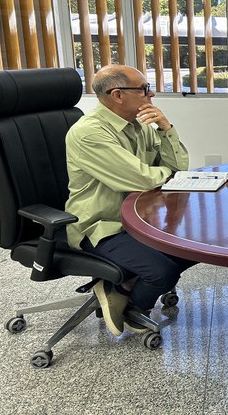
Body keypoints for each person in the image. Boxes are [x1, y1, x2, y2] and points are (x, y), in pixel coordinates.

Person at [65, 65, 196, 336]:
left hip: (140, 220)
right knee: (163, 273)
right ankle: (135, 309)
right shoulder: (90, 133)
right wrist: (166, 174)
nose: (152, 94)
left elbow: (179, 167)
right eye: (145, 89)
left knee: (195, 247)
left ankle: (121, 286)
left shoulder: (140, 124)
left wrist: (166, 128)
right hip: (102, 225)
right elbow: (145, 180)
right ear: (117, 95)